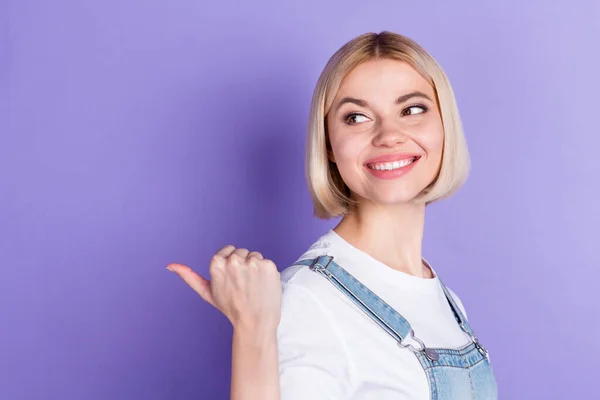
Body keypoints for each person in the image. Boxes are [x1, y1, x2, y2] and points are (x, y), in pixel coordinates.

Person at [167, 31, 498, 400]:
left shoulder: (444, 298)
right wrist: (254, 330)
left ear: (444, 126)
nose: (389, 134)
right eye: (356, 117)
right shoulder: (308, 301)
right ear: (328, 145)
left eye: (412, 110)